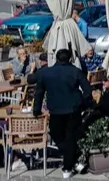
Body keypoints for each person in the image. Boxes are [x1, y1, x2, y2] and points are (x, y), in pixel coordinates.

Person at [33, 49, 93, 179]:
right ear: (70, 59)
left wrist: (36, 110)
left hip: (55, 111)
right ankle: (72, 162)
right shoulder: (76, 71)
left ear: (56, 58)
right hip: (73, 109)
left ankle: (68, 167)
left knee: (58, 135)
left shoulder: (46, 73)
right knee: (70, 138)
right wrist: (83, 103)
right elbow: (88, 90)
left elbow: (39, 93)